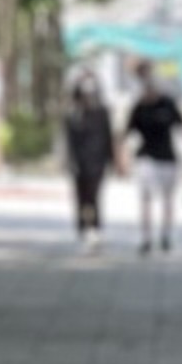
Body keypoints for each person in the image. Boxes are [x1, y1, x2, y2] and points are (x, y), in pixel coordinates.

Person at [123, 62, 182, 255]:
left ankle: (166, 235)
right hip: (146, 158)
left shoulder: (168, 104)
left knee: (168, 199)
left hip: (168, 158)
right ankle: (146, 237)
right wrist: (122, 157)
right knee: (145, 198)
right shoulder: (138, 107)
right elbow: (126, 133)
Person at [63, 73, 114, 251]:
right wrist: (69, 160)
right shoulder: (73, 114)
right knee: (81, 196)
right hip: (79, 162)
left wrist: (112, 160)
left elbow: (108, 138)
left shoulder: (101, 112)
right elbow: (69, 140)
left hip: (97, 162)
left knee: (94, 196)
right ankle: (82, 227)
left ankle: (95, 227)